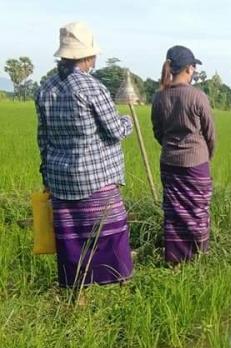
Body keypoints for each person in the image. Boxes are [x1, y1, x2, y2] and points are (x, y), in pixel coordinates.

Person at [35, 21, 134, 290]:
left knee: (71, 239)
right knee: (110, 234)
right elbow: (114, 130)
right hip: (95, 177)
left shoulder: (45, 88)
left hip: (60, 178)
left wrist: (46, 175)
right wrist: (127, 122)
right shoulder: (92, 87)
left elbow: (43, 138)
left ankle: (76, 291)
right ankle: (114, 287)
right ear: (88, 56)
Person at [151, 45, 216, 265]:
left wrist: (171, 147)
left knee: (174, 212)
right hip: (196, 163)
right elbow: (210, 133)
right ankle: (198, 257)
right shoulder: (198, 96)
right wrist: (206, 155)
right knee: (197, 210)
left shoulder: (159, 97)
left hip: (169, 162)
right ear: (189, 68)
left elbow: (158, 131)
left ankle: (175, 259)